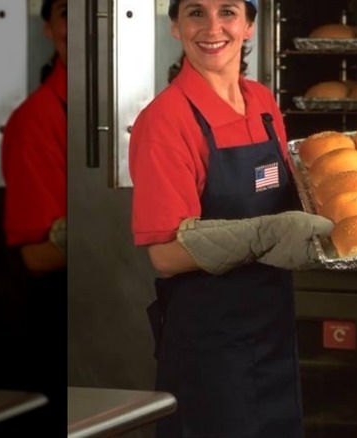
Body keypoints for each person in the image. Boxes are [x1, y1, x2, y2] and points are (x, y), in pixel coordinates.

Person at [128, 0, 333, 437]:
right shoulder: (166, 120)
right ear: (176, 28)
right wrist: (266, 233)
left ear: (249, 27)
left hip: (272, 332)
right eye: (196, 13)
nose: (212, 27)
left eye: (227, 12)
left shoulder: (261, 102)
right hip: (209, 348)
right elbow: (164, 254)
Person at [0, 0, 67, 433]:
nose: (79, 26)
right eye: (65, 13)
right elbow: (37, 257)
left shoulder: (147, 111)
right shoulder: (36, 120)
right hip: (64, 320)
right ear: (46, 28)